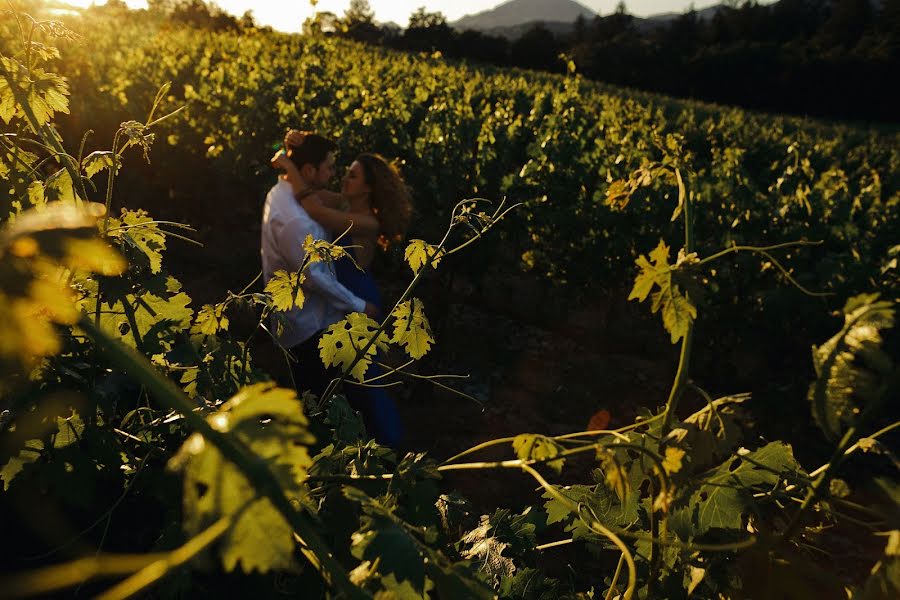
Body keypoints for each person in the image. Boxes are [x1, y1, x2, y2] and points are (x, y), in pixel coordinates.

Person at [274, 131, 413, 447]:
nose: (343, 178)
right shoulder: (344, 201)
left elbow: (316, 211)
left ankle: (389, 446)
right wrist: (294, 150)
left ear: (367, 187)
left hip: (361, 302)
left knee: (365, 381)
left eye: (351, 176)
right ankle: (358, 446)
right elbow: (308, 191)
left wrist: (288, 165)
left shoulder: (367, 222)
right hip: (343, 300)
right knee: (350, 379)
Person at [261, 132, 378, 400]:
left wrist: (290, 163)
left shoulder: (292, 195)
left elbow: (315, 202)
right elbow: (314, 276)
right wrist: (360, 306)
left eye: (350, 174)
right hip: (309, 326)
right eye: (331, 168)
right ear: (310, 170)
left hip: (334, 306)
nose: (336, 175)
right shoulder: (296, 219)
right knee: (322, 399)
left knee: (354, 385)